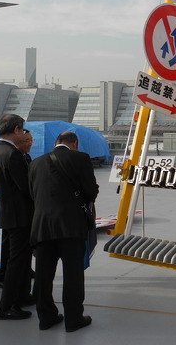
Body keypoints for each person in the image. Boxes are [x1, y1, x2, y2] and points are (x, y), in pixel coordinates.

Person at [29, 132, 99, 332]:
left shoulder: (36, 163)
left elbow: (32, 193)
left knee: (43, 275)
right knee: (73, 274)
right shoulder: (80, 158)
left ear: (55, 143)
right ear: (74, 144)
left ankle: (46, 318)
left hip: (42, 226)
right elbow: (90, 191)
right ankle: (73, 319)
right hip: (70, 226)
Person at [0, 114, 34, 320]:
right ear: (16, 130)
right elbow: (26, 187)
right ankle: (6, 306)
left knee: (21, 260)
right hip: (19, 217)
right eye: (22, 131)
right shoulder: (12, 154)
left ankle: (22, 297)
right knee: (16, 262)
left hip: (8, 214)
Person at [0, 129, 35, 287]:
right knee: (13, 252)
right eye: (25, 140)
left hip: (13, 212)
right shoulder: (13, 156)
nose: (29, 143)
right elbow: (24, 186)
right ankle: (8, 284)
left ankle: (23, 273)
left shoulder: (26, 157)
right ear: (17, 141)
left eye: (31, 140)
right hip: (16, 213)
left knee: (20, 252)